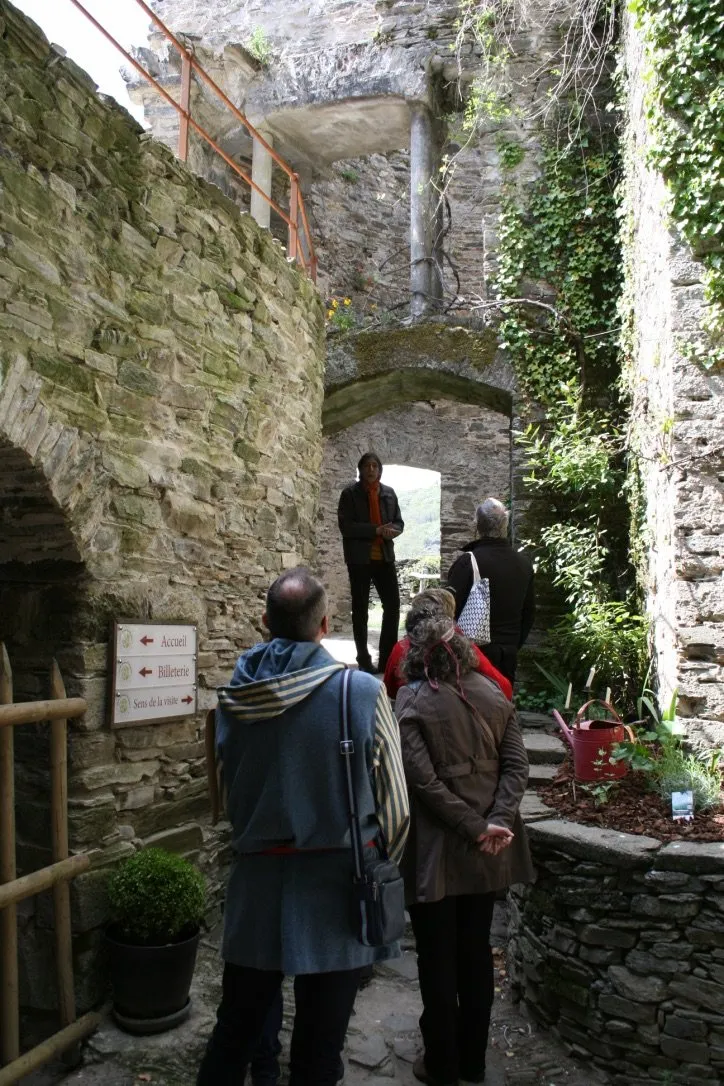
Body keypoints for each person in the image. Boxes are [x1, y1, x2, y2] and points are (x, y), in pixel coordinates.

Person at [197, 568, 409, 1086]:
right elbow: (396, 808)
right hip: (339, 887)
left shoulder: (232, 699)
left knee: (235, 1035)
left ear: (265, 622)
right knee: (319, 1051)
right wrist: (380, 863)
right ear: (325, 624)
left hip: (257, 885)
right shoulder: (360, 693)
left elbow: (221, 796)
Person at [395, 615, 533, 1086]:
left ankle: (443, 1064)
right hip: (490, 850)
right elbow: (518, 766)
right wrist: (496, 821)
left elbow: (423, 782)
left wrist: (477, 826)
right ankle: (473, 1060)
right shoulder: (496, 695)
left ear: (417, 655)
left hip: (438, 850)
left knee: (436, 955)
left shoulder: (411, 699)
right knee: (475, 951)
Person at [446, 497, 535, 684]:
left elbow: (448, 613)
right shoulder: (524, 565)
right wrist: (512, 645)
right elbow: (529, 615)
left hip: (473, 655)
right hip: (508, 654)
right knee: (503, 705)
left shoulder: (468, 563)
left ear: (477, 527)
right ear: (505, 526)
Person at [383, 588, 513, 702]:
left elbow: (390, 690)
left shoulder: (402, 647)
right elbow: (504, 688)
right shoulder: (465, 648)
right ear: (450, 615)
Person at [338, 452, 404, 674]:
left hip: (384, 557)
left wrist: (392, 531)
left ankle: (387, 659)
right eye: (367, 465)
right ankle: (363, 659)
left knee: (393, 606)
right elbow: (346, 527)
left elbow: (399, 522)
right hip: (359, 560)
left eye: (375, 465)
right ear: (360, 469)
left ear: (380, 470)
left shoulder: (389, 493)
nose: (371, 469)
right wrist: (374, 530)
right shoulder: (349, 494)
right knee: (360, 610)